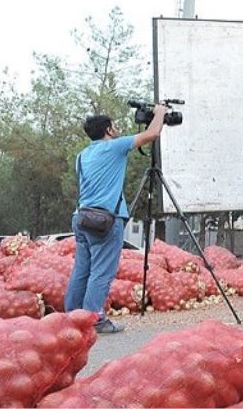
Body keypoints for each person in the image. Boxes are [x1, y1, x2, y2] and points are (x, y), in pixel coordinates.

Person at [65, 105, 167, 333]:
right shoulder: (114, 147)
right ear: (108, 130)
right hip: (105, 221)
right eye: (115, 126)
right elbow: (152, 134)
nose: (118, 129)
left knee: (81, 270)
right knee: (101, 272)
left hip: (81, 217)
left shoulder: (82, 156)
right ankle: (95, 320)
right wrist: (160, 112)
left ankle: (71, 318)